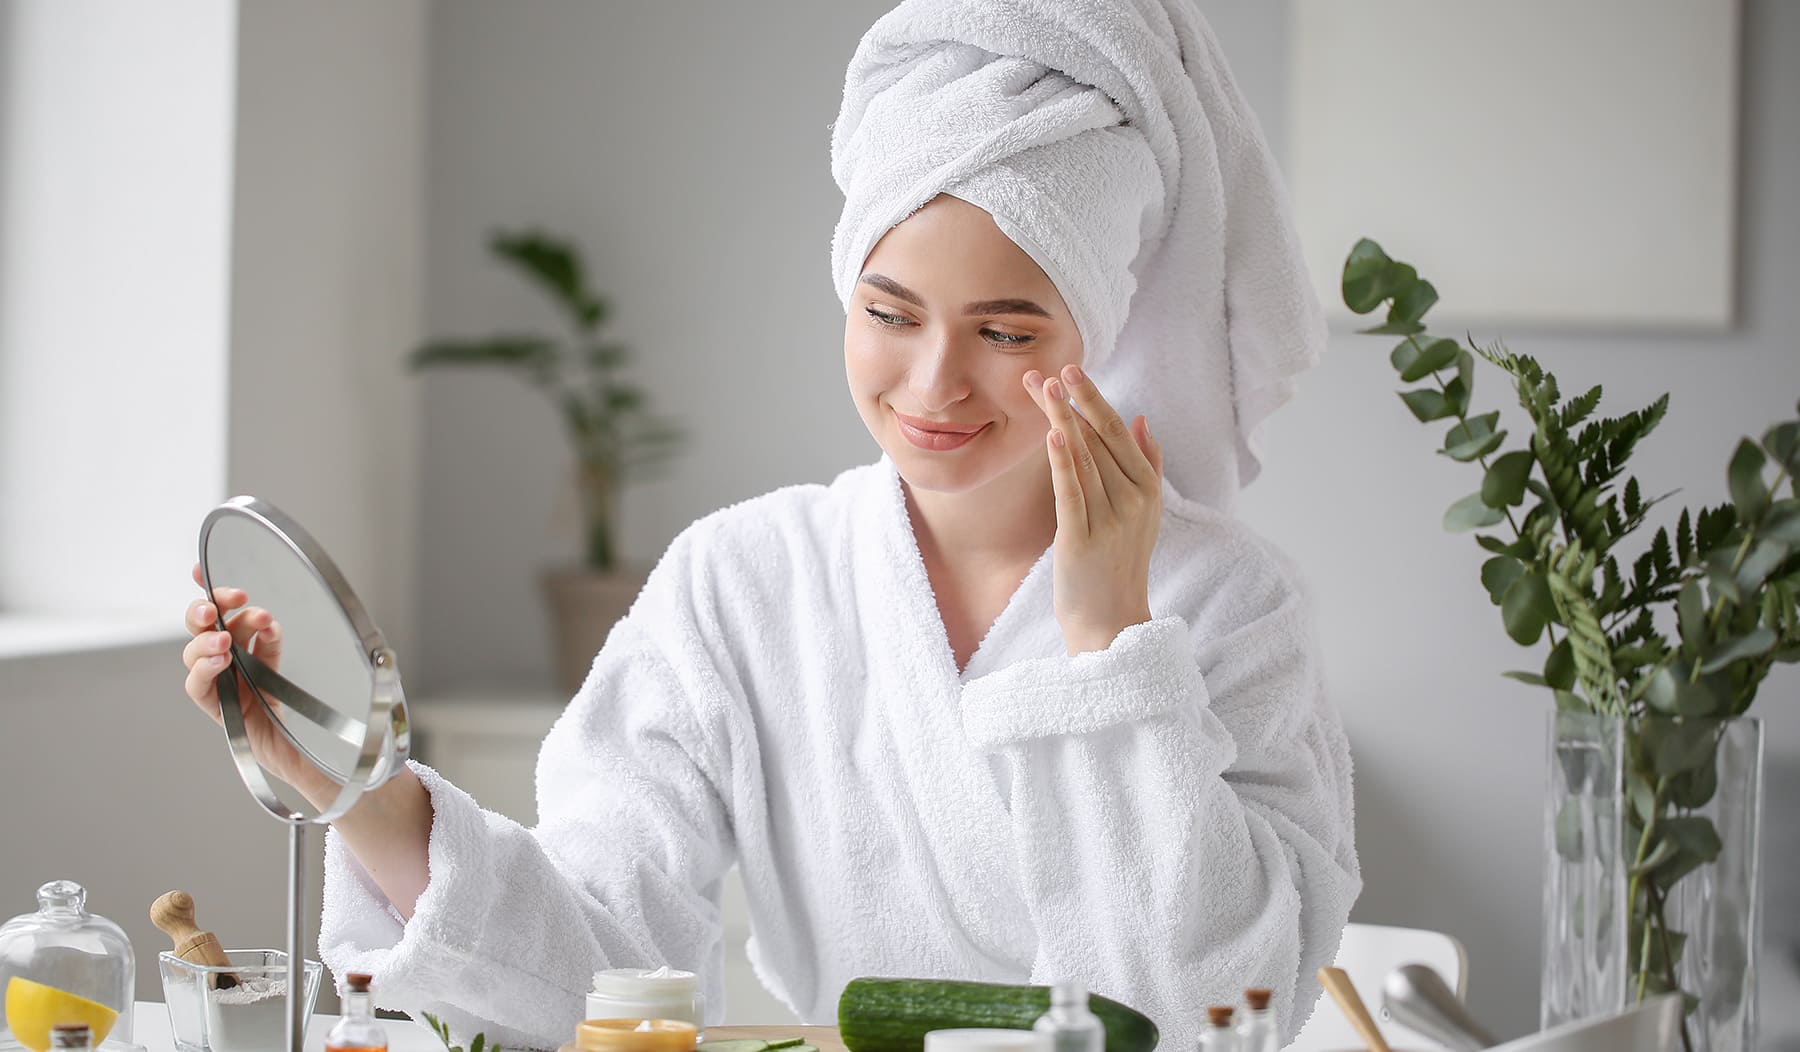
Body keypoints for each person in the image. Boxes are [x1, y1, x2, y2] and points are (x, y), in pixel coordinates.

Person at [179, 2, 1359, 1049]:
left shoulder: (1228, 601)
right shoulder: (743, 579)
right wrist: (358, 786)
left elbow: (1222, 1006)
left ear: (1093, 330)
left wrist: (1109, 645)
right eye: (889, 313)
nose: (934, 383)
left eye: (1006, 332)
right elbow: (598, 965)